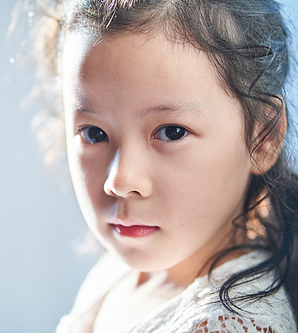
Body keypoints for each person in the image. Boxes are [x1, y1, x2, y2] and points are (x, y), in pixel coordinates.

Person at [15, 0, 298, 331]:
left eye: (171, 132)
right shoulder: (122, 273)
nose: (119, 181)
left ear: (262, 138)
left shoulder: (231, 322)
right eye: (94, 133)